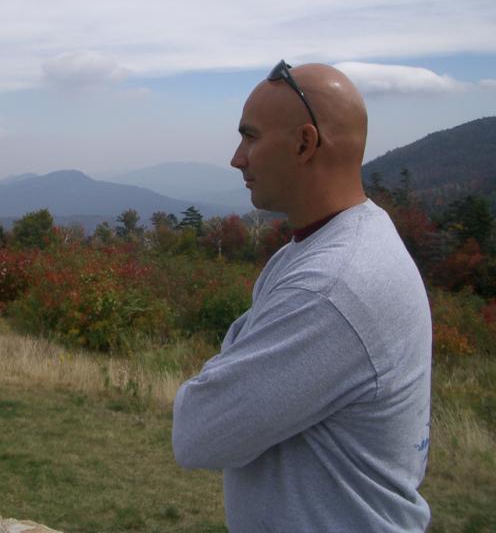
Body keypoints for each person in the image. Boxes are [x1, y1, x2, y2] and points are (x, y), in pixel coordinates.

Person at [172, 61, 432, 532]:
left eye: (250, 137)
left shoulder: (331, 286)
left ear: (304, 144)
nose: (237, 158)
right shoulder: (322, 248)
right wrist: (243, 351)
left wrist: (233, 358)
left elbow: (197, 432)